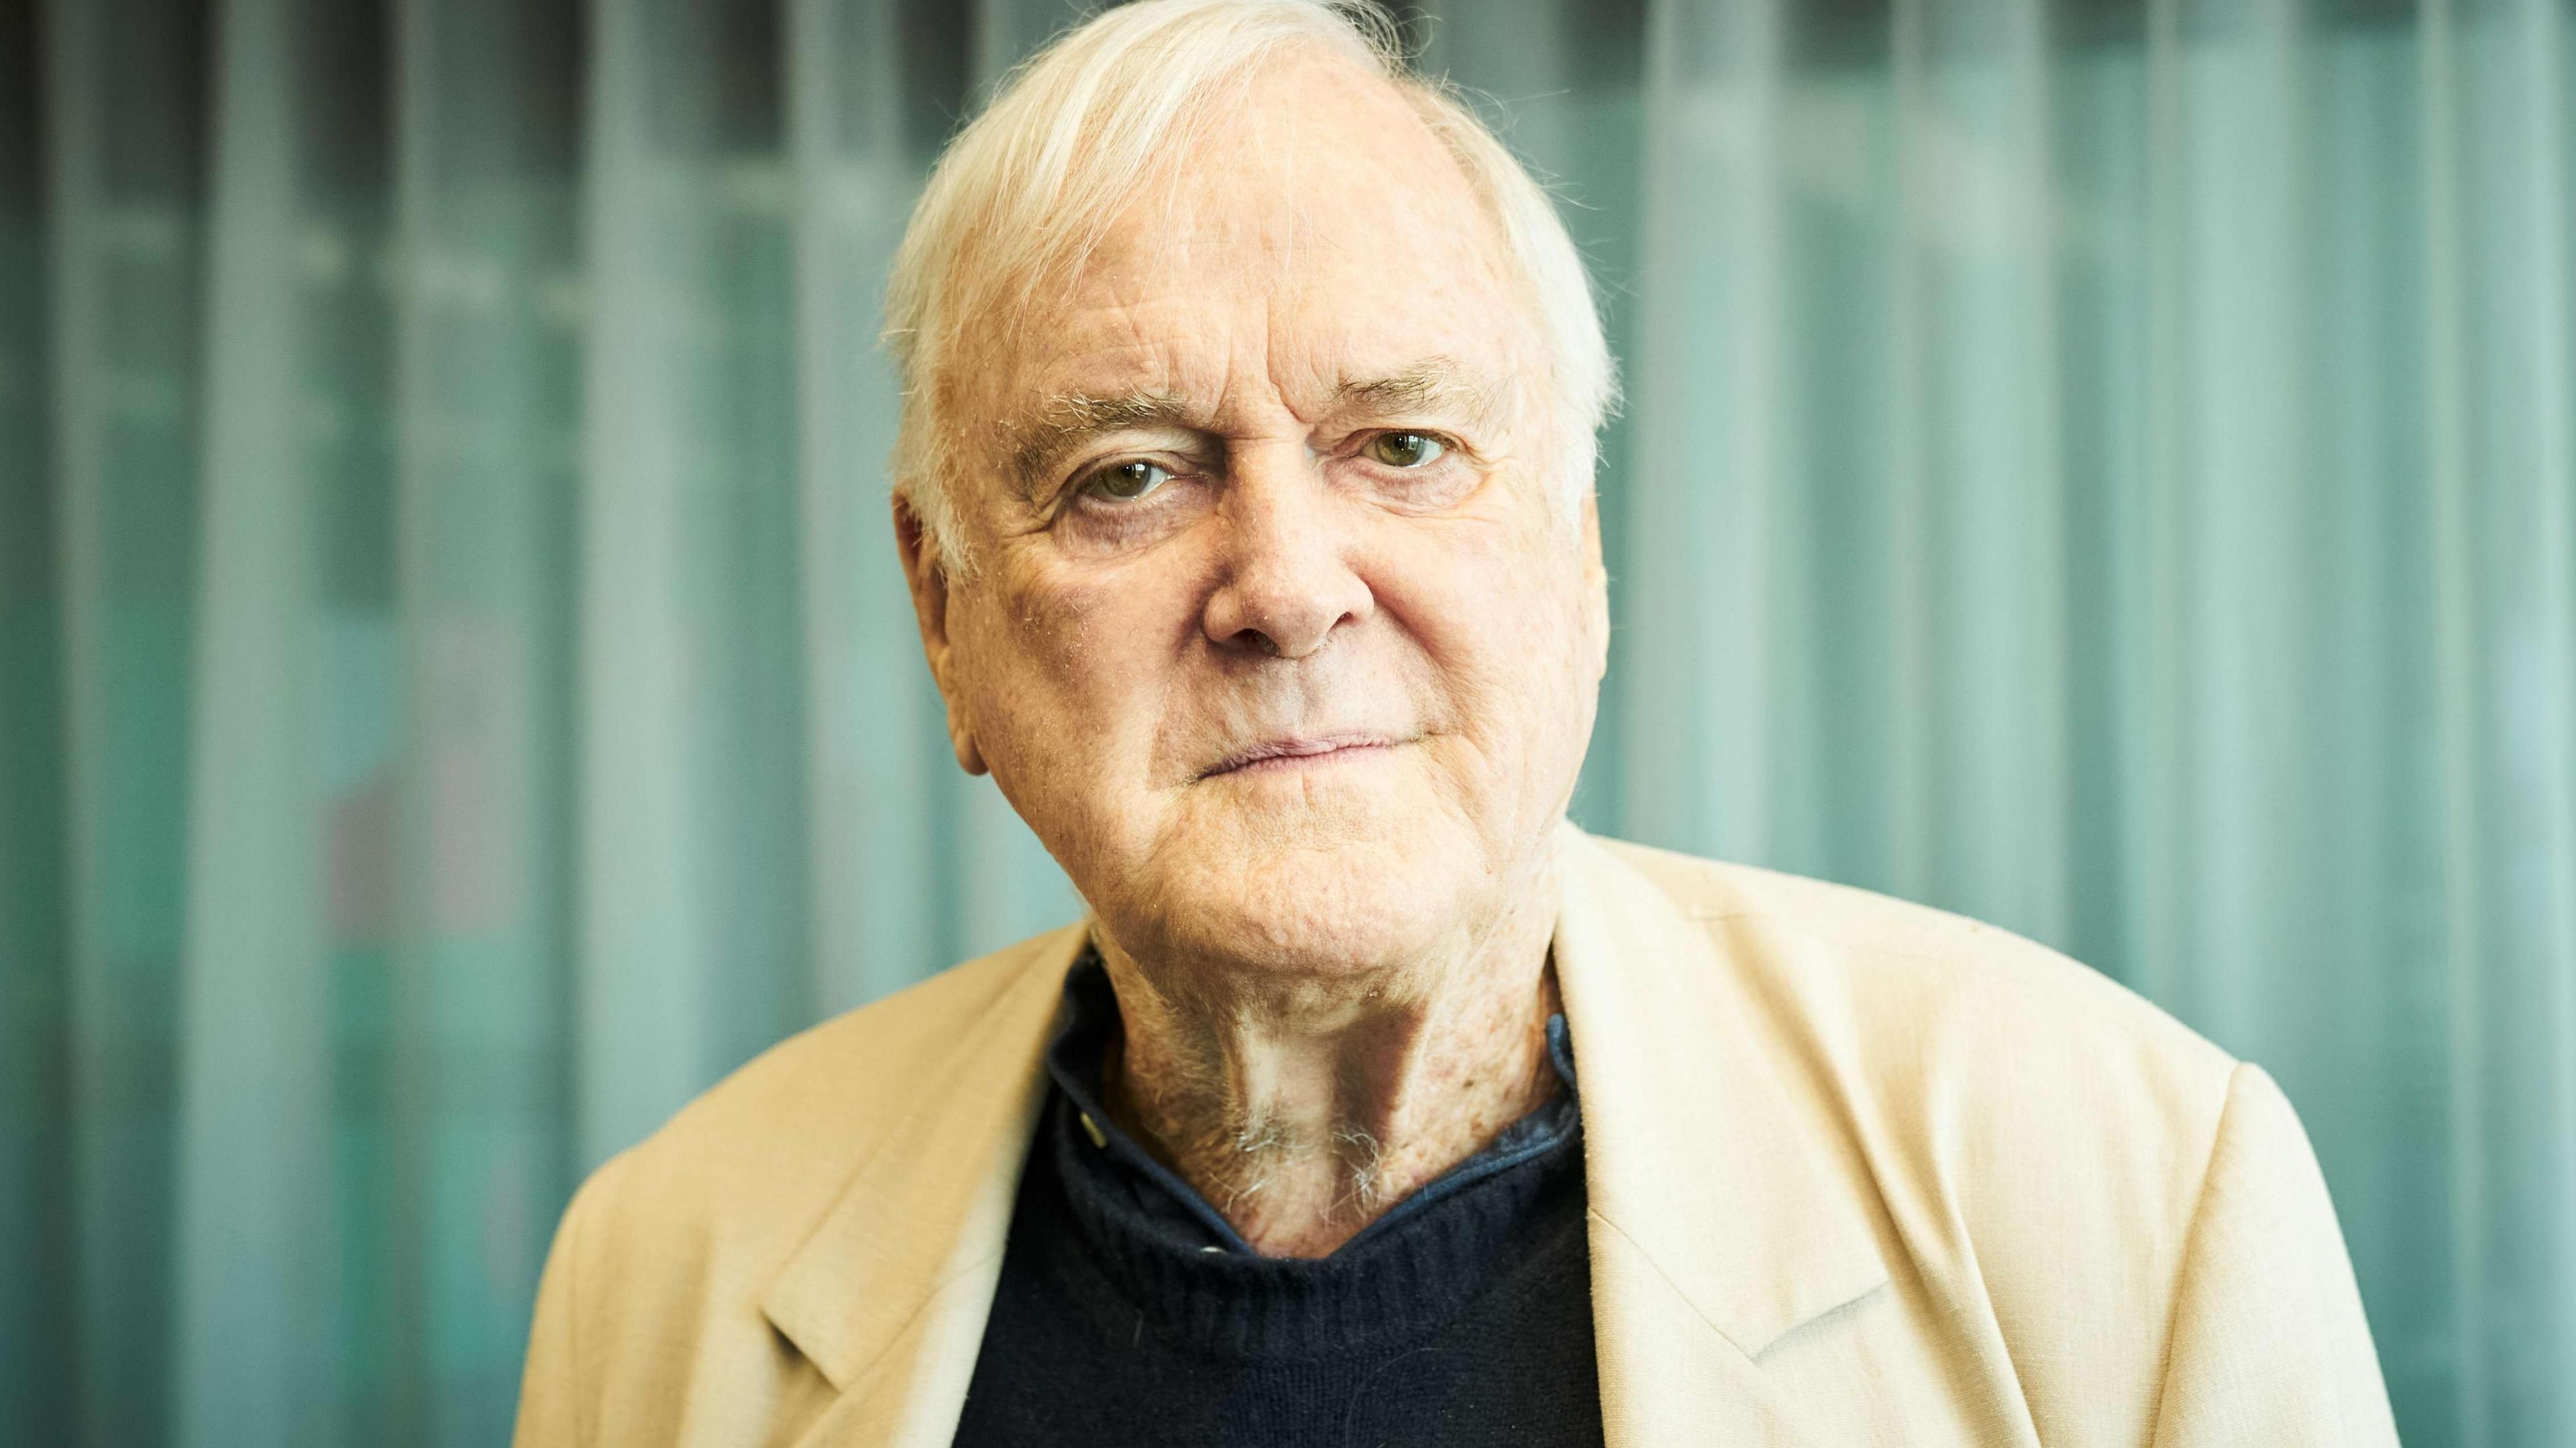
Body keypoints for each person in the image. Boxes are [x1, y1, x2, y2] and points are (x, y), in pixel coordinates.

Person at [511, 2, 2399, 1443]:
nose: (1287, 587)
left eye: (1402, 447)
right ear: (945, 616)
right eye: (1127, 476)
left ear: (1579, 557)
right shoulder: (670, 1263)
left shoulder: (2126, 1189)